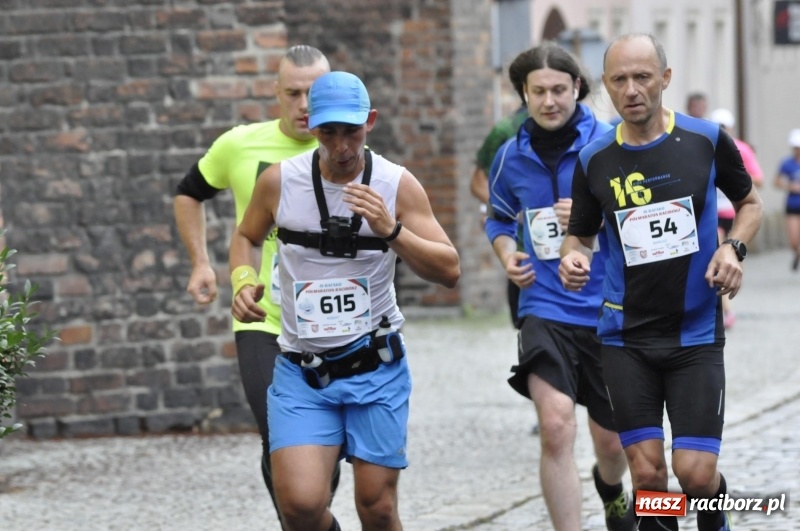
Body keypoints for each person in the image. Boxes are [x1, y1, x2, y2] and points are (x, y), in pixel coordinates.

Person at [229, 71, 460, 531]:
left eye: (350, 131)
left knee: (375, 506)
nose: (341, 146)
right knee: (298, 506)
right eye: (328, 132)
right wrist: (241, 280)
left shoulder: (397, 183)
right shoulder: (280, 182)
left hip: (375, 365)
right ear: (311, 125)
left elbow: (449, 270)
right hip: (302, 369)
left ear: (370, 122)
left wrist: (390, 229)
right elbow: (245, 236)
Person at [559, 33, 763, 531]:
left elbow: (751, 204)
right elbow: (578, 237)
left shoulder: (705, 139)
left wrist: (732, 247)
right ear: (605, 86)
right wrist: (572, 259)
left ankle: (716, 519)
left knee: (694, 475)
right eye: (619, 80)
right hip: (625, 336)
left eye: (642, 77)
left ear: (665, 79)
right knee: (648, 476)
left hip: (693, 331)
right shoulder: (594, 158)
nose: (631, 90)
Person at [172, 45, 338, 526]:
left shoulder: (347, 149)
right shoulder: (240, 144)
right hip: (261, 320)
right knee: (280, 437)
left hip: (333, 322)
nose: (305, 104)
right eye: (294, 93)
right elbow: (189, 193)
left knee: (321, 453)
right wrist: (201, 262)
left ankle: (313, 515)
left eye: (315, 92)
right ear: (276, 93)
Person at [485, 43, 635, 531]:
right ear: (523, 95)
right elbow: (499, 220)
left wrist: (597, 217)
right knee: (555, 427)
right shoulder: (510, 156)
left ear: (578, 90)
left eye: (559, 90)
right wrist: (509, 256)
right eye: (537, 91)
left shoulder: (613, 145)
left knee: (612, 443)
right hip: (545, 306)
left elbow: (644, 221)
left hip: (608, 308)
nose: (549, 101)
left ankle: (612, 491)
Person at [470, 103, 528, 329]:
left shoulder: (589, 129)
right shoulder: (506, 130)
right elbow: (477, 181)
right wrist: (505, 208)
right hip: (525, 247)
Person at [708, 108, 764, 327]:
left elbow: (759, 180)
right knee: (718, 256)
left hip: (736, 213)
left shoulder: (741, 149)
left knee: (731, 258)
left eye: (725, 127)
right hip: (713, 213)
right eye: (718, 126)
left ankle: (730, 295)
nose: (722, 130)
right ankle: (726, 310)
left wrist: (733, 176)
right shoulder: (705, 146)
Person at [773, 128, 800, 271]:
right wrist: (790, 186)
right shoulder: (787, 163)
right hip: (792, 205)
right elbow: (776, 181)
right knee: (793, 240)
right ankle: (797, 253)